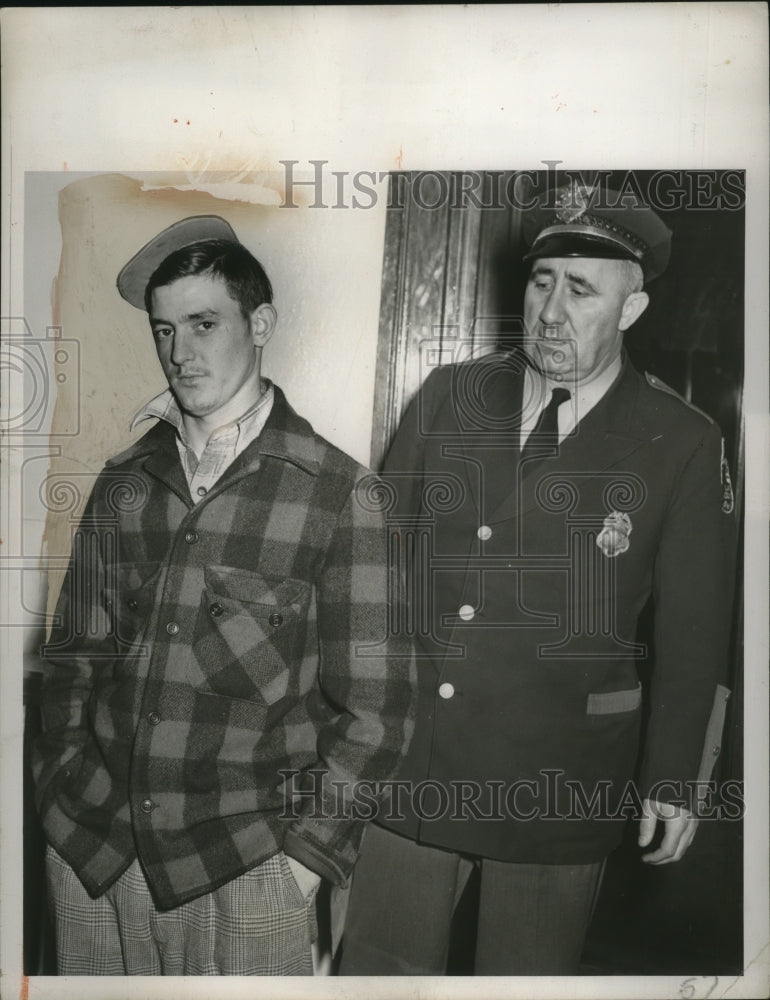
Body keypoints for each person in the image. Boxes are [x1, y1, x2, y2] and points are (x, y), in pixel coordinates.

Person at [338, 185, 737, 975]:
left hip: (563, 775)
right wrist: (350, 729)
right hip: (421, 758)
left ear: (631, 308)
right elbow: (370, 569)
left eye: (580, 290)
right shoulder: (450, 396)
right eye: (541, 281)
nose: (551, 311)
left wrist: (674, 780)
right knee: (381, 978)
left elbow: (695, 631)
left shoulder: (682, 441)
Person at [31, 215, 415, 976]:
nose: (180, 352)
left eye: (204, 324)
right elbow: (73, 660)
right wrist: (58, 798)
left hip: (244, 871)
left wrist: (304, 862)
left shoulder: (341, 495)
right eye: (165, 329)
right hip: (92, 856)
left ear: (260, 324)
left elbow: (378, 714)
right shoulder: (123, 483)